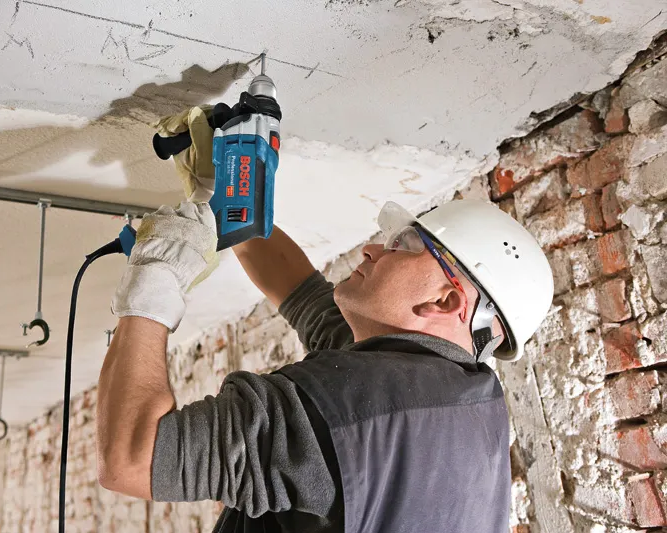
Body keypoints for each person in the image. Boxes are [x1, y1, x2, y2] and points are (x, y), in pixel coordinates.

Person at [95, 107, 554, 533]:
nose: (373, 248)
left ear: (446, 300)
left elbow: (134, 458)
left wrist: (154, 278)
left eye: (406, 246)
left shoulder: (347, 405)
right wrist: (223, 192)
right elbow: (299, 289)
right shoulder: (455, 395)